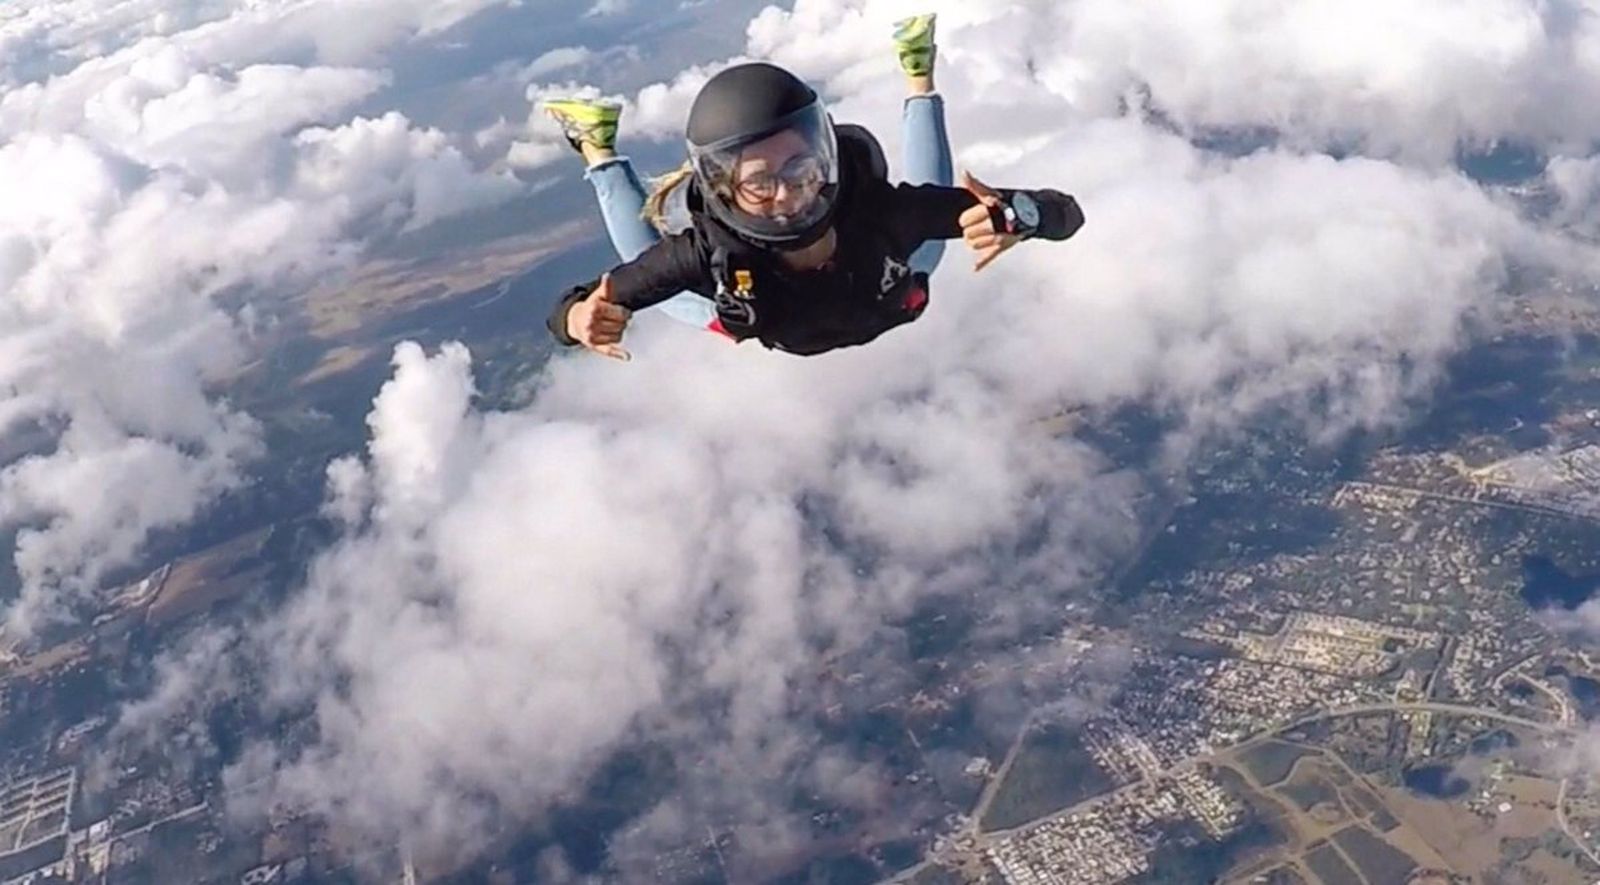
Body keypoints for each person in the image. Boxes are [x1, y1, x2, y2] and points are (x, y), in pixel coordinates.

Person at [540, 14, 1083, 360]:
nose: (788, 194)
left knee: (939, 216)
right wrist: (580, 319)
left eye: (801, 168)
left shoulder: (880, 214)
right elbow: (589, 301)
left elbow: (1067, 214)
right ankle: (597, 147)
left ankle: (920, 73)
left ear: (825, 154)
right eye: (759, 181)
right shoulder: (707, 253)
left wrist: (1016, 216)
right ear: (724, 191)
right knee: (647, 267)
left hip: (848, 299)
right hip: (862, 298)